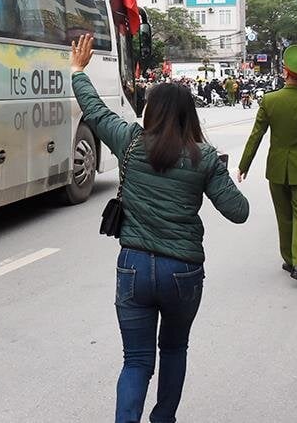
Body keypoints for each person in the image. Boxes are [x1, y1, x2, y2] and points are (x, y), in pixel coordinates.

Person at [69, 33, 249, 423]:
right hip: (183, 270)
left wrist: (78, 71)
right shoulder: (204, 159)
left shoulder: (131, 141)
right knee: (174, 350)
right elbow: (239, 212)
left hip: (133, 266)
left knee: (135, 361)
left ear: (150, 113)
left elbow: (96, 113)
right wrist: (222, 172)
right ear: (190, 116)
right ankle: (163, 418)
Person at [237, 44, 297, 287]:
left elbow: (255, 135)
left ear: (285, 70)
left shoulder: (269, 100)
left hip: (277, 169)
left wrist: (243, 165)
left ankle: (289, 260)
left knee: (284, 216)